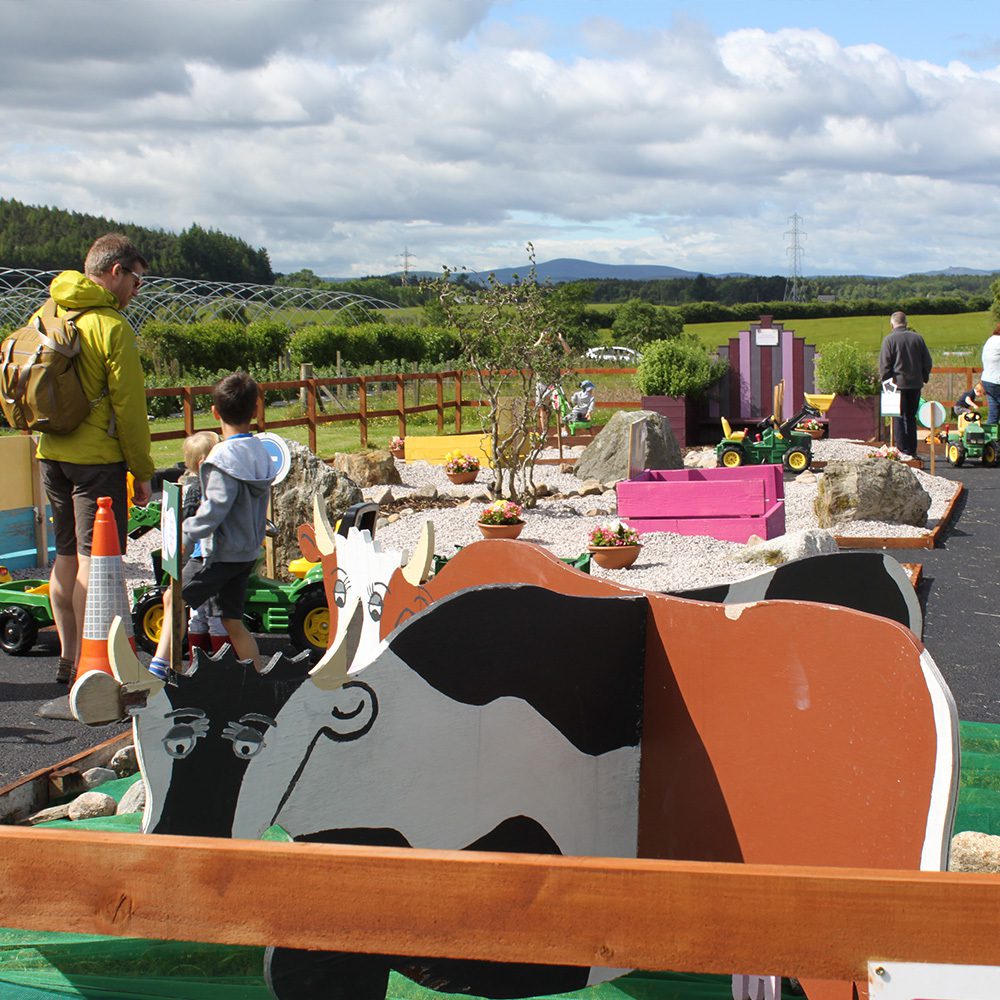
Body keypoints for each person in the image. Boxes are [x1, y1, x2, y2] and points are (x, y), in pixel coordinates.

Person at [36, 234, 154, 685]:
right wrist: (142, 471)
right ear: (115, 271)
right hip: (96, 461)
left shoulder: (50, 310)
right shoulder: (111, 326)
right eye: (136, 281)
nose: (136, 291)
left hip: (50, 453)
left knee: (64, 556)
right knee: (95, 561)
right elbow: (130, 407)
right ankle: (93, 668)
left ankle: (68, 658)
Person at [149, 372, 275, 678]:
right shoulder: (260, 452)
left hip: (217, 555)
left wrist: (185, 536)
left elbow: (215, 507)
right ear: (255, 410)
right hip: (245, 553)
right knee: (232, 620)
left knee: (173, 597)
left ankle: (158, 670)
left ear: (215, 412)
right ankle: (259, 679)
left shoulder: (222, 458)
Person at [180, 430, 229, 656]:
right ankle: (220, 660)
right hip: (207, 558)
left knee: (198, 613)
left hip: (200, 557)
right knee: (215, 613)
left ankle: (196, 659)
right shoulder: (204, 489)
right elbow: (189, 521)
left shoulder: (198, 488)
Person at [879, 310, 933, 459]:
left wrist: (885, 382)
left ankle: (902, 450)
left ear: (892, 324)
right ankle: (912, 450)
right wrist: (923, 377)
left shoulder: (889, 340)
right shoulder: (918, 338)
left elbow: (884, 366)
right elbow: (927, 362)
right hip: (915, 384)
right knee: (910, 417)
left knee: (898, 417)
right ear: (906, 323)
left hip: (896, 385)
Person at [981, 325, 1000, 424]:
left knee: (993, 413)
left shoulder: (990, 340)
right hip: (997, 381)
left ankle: (990, 433)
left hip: (987, 381)